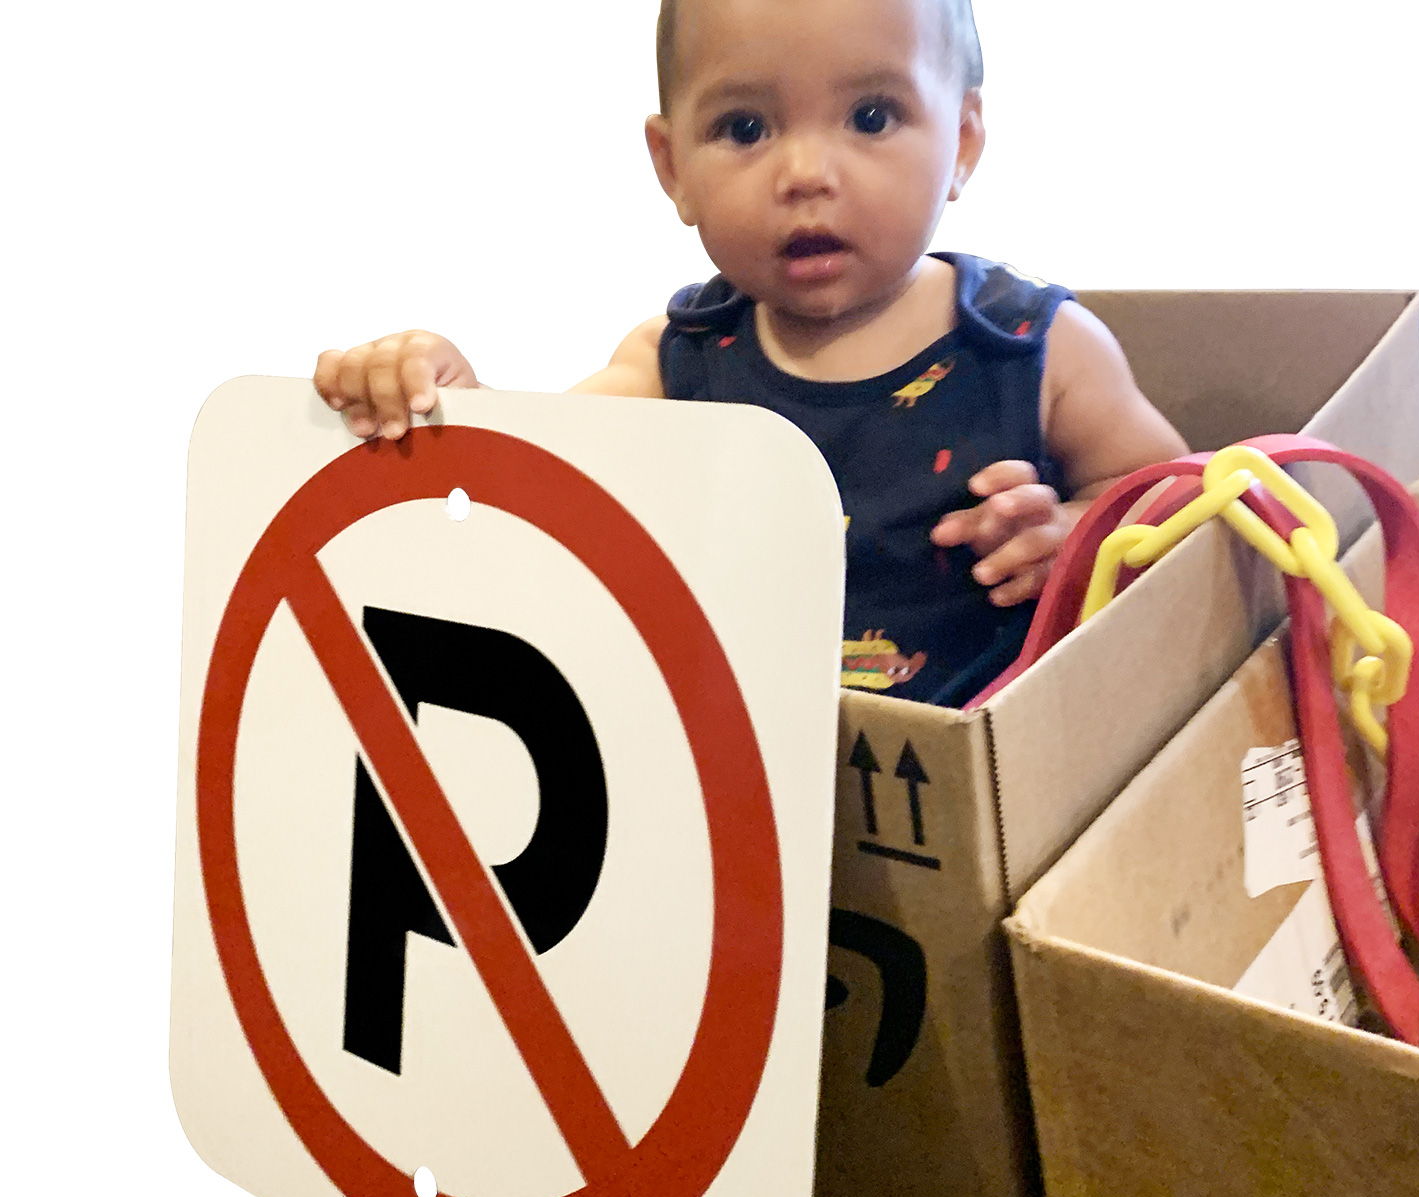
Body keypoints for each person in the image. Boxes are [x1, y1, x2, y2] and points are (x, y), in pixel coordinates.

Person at [313, 0, 1187, 706]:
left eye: (870, 116)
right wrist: (448, 398)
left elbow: (1178, 501)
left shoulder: (1034, 348)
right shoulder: (675, 365)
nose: (805, 172)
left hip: (988, 784)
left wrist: (1078, 535)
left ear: (961, 142)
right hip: (743, 795)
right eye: (744, 128)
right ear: (673, 169)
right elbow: (531, 468)